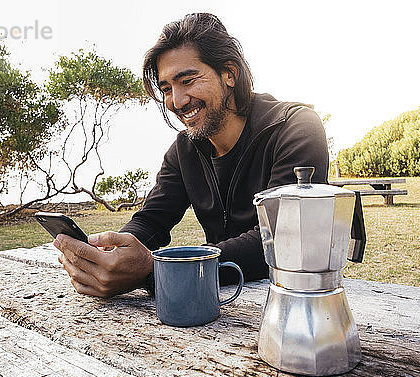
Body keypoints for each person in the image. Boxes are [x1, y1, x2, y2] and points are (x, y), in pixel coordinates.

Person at [53, 13, 329, 298]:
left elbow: (280, 240)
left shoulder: (295, 128)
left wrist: (157, 269)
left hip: (298, 300)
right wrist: (113, 254)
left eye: (187, 80)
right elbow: (151, 220)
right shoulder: (184, 150)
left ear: (229, 74)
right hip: (221, 301)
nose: (177, 101)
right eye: (166, 89)